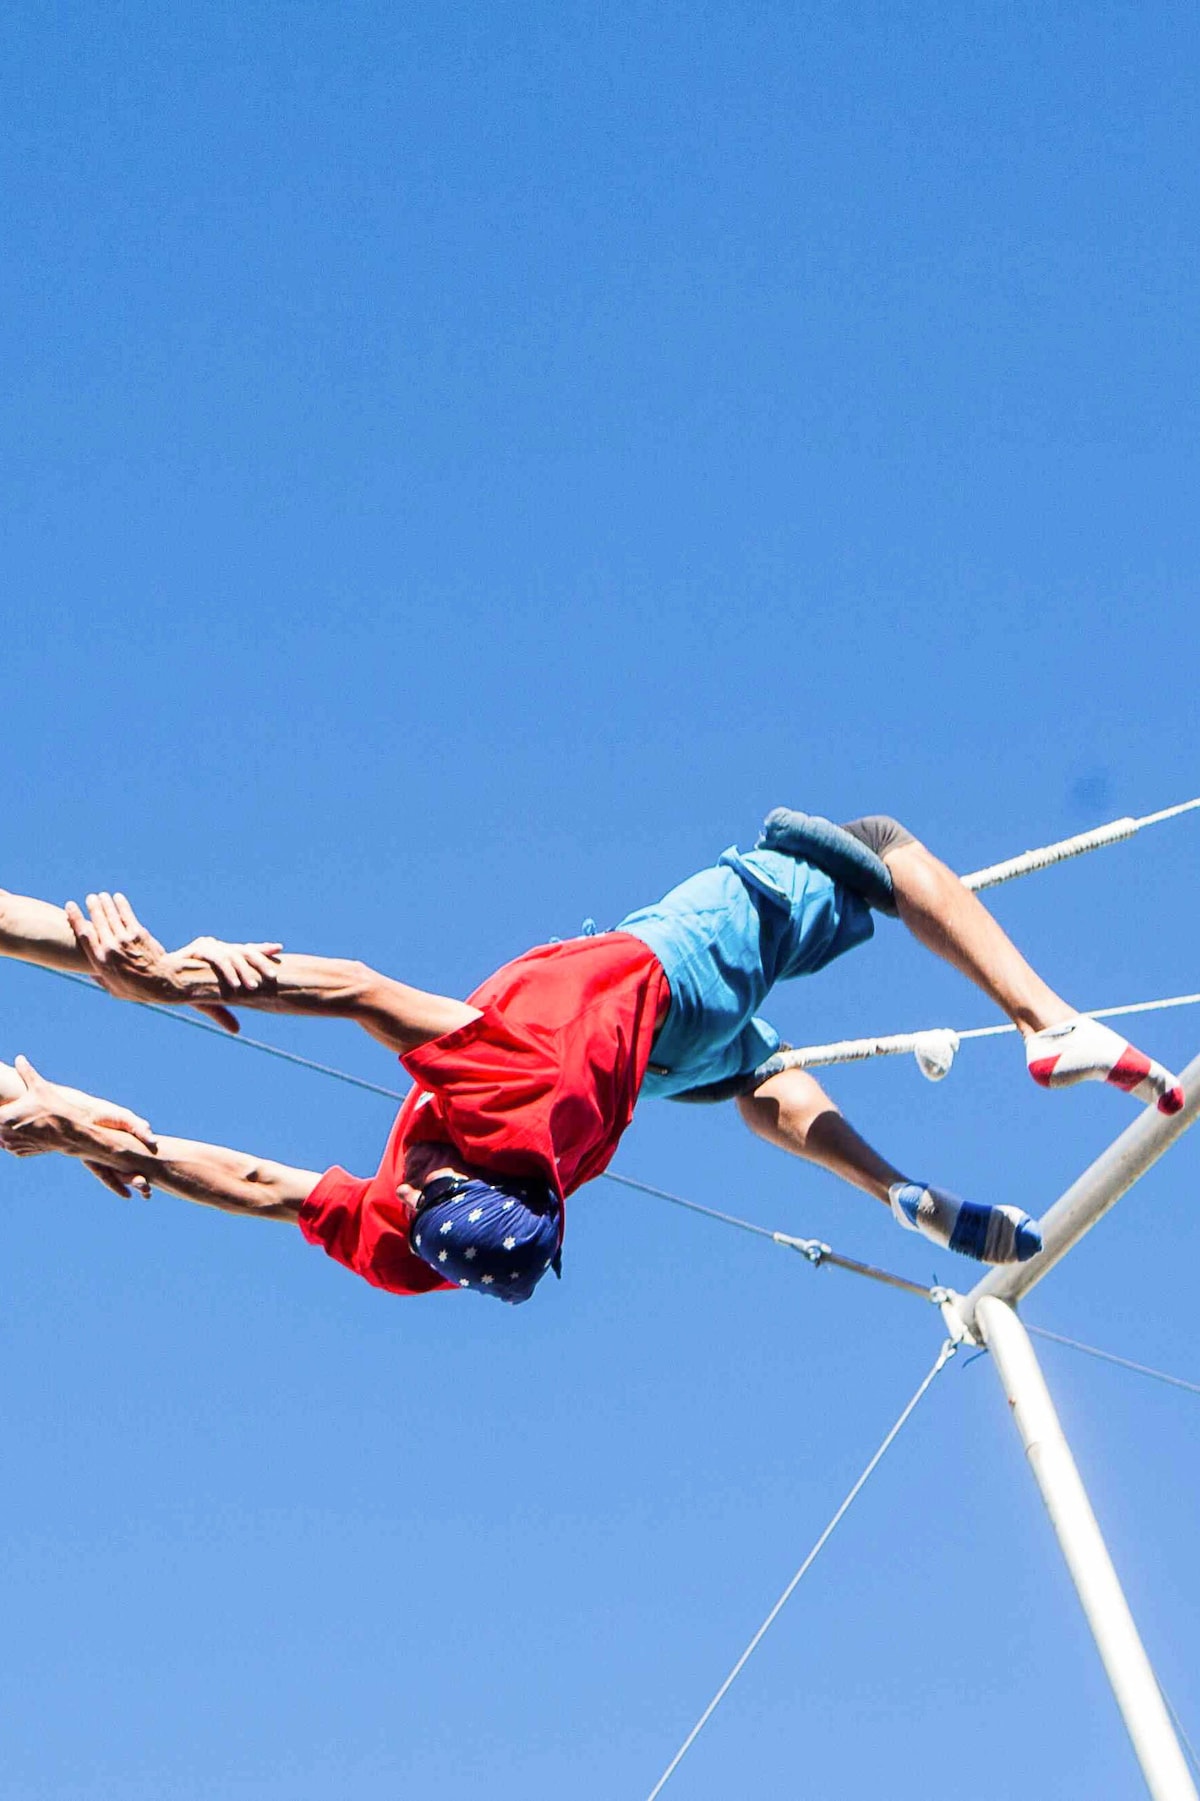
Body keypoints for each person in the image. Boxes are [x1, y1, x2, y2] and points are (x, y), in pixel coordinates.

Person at [0, 810, 1184, 1304]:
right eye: (417, 1189)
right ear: (463, 1191)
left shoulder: (447, 1230)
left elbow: (258, 1182)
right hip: (667, 981)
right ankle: (1044, 1021)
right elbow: (360, 992)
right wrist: (178, 976)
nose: (396, 1188)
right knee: (876, 847)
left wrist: (80, 1126)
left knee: (763, 1083)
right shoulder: (491, 1109)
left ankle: (907, 1177)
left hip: (658, 1060)